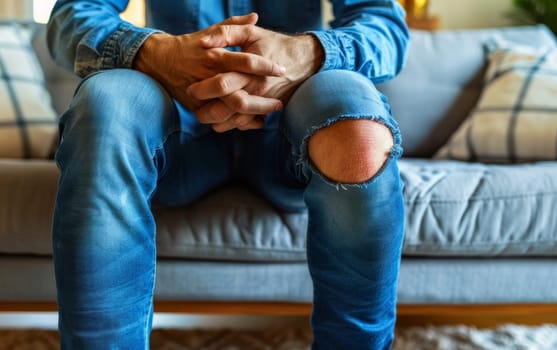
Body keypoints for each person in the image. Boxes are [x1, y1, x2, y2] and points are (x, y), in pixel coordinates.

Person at [47, 0, 409, 348]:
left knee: (359, 128)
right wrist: (156, 52)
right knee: (106, 105)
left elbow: (386, 25)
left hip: (293, 134)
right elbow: (72, 14)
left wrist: (309, 52)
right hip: (178, 133)